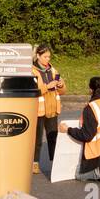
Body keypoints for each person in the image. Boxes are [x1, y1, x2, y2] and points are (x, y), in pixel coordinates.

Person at [31, 45, 65, 174]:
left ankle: (54, 163)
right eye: (45, 56)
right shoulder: (32, 71)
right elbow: (33, 91)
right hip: (39, 110)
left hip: (52, 109)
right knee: (37, 139)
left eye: (49, 56)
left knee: (53, 137)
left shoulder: (53, 70)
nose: (47, 59)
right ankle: (35, 163)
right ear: (38, 56)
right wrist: (47, 86)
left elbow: (63, 91)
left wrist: (61, 85)